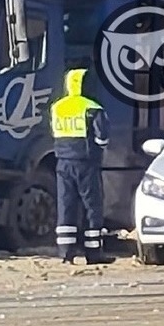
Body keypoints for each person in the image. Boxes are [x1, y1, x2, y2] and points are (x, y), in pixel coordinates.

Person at [51, 68, 112, 265]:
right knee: (92, 206)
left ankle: (66, 253)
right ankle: (94, 253)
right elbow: (102, 137)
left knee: (66, 205)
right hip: (86, 163)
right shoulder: (92, 107)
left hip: (62, 162)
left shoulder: (57, 107)